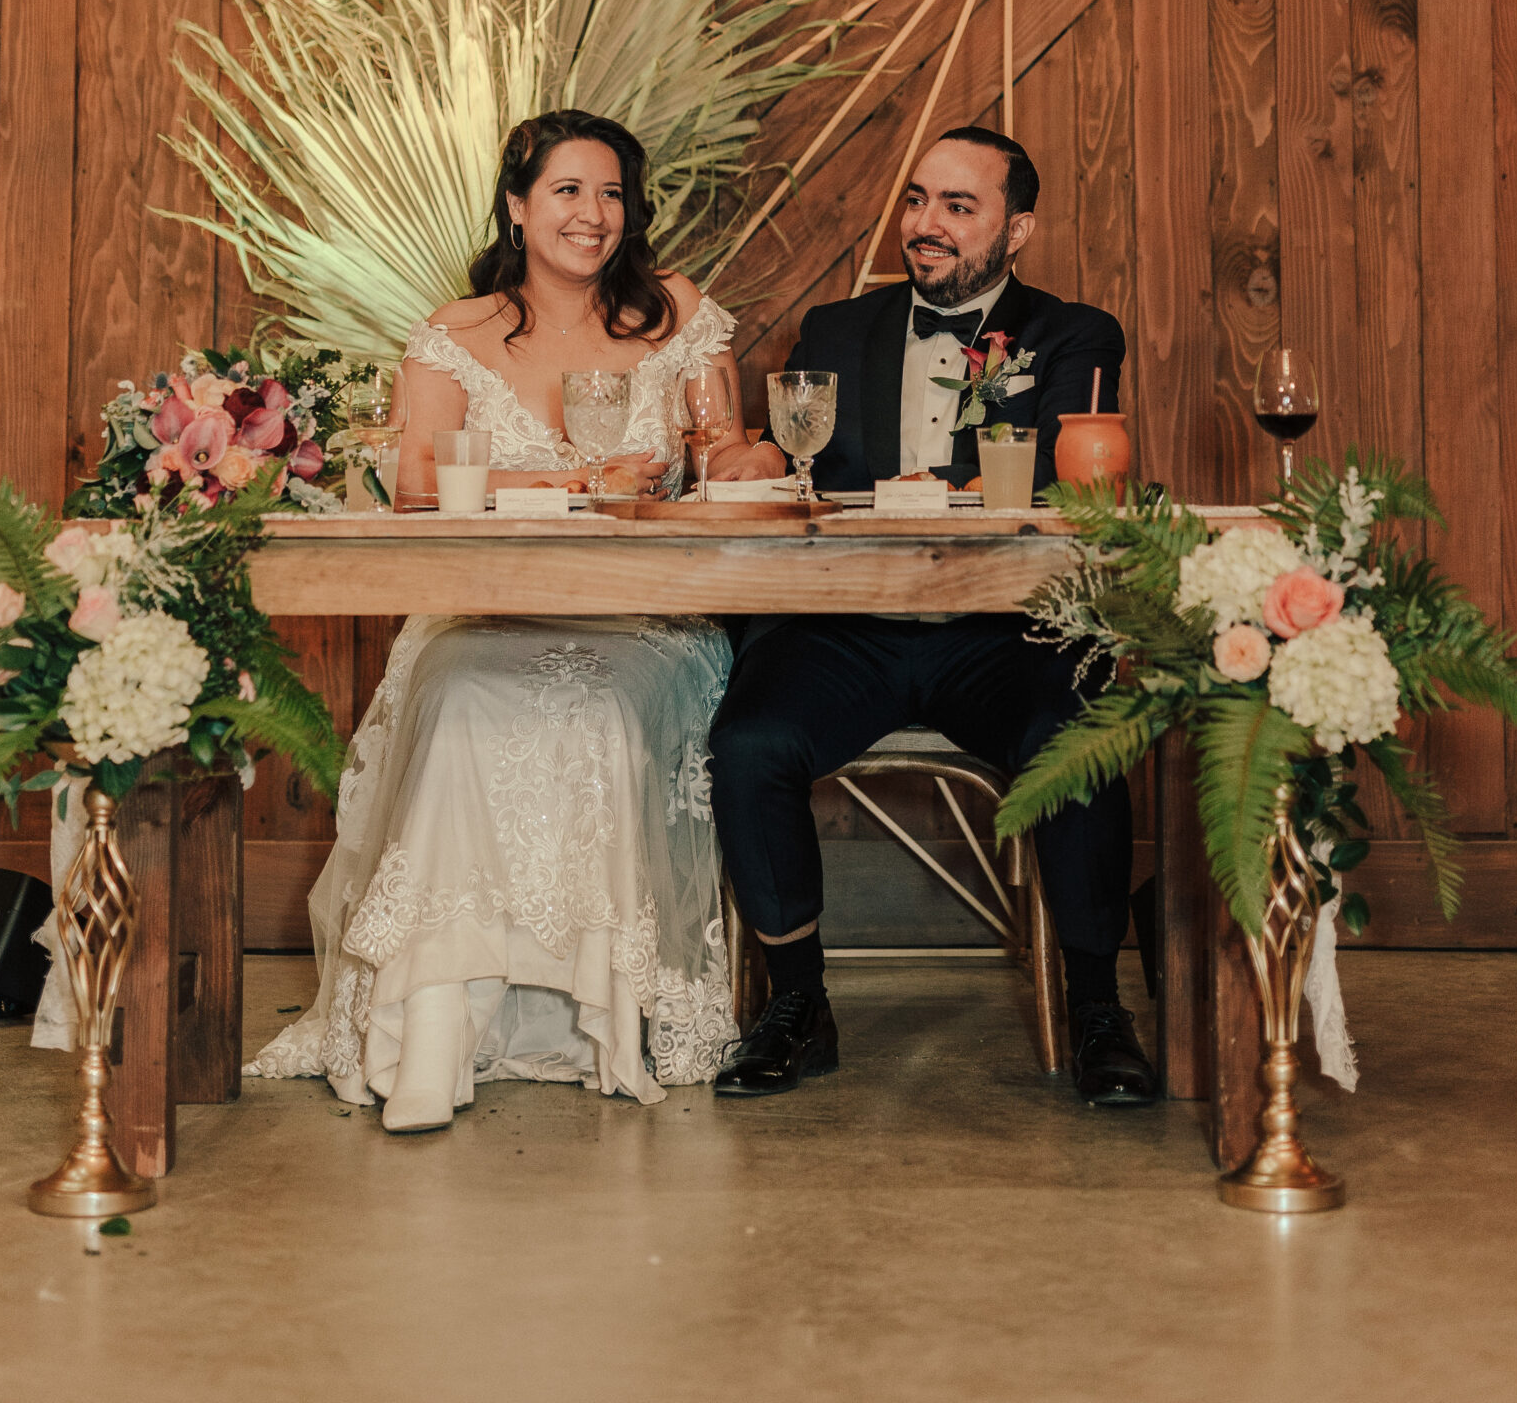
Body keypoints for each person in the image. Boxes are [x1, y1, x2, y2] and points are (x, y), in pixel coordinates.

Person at [249, 109, 780, 1130]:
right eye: (569, 191)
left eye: (613, 192)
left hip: (645, 621)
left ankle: (603, 1020)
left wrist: (748, 457)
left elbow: (723, 455)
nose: (594, 214)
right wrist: (580, 474)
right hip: (485, 610)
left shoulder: (677, 312)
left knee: (604, 711)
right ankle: (433, 1033)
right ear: (517, 206)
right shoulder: (456, 333)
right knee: (454, 702)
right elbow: (414, 485)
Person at [707, 124, 1156, 1109]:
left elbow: (1074, 477)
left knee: (1081, 734)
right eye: (917, 201)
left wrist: (941, 491)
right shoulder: (833, 330)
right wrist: (758, 464)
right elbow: (804, 472)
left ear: (1018, 227)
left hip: (1002, 631)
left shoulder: (1074, 335)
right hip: (849, 625)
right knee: (748, 742)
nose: (927, 224)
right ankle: (796, 1003)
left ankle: (1096, 1007)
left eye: (959, 206)